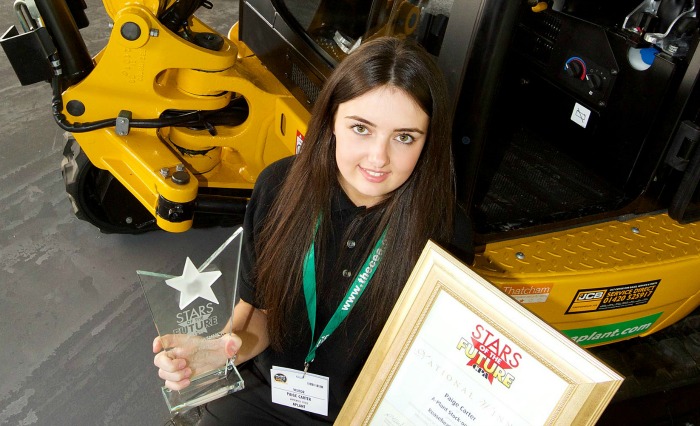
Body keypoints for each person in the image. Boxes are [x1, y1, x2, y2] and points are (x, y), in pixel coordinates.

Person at [153, 35, 474, 425]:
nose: (379, 157)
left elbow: (429, 363)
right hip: (265, 388)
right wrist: (217, 350)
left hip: (356, 414)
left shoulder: (445, 230)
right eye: (361, 128)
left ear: (428, 142)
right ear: (332, 121)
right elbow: (260, 314)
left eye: (404, 137)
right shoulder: (278, 188)